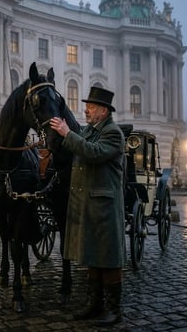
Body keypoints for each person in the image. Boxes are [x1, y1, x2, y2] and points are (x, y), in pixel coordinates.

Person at [50, 86, 126, 327]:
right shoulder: (90, 130)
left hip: (104, 205)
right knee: (93, 255)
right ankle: (94, 304)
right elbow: (78, 144)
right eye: (87, 106)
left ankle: (114, 309)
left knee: (109, 258)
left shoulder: (112, 133)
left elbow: (92, 153)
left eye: (91, 107)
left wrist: (66, 133)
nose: (86, 110)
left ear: (103, 111)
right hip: (90, 204)